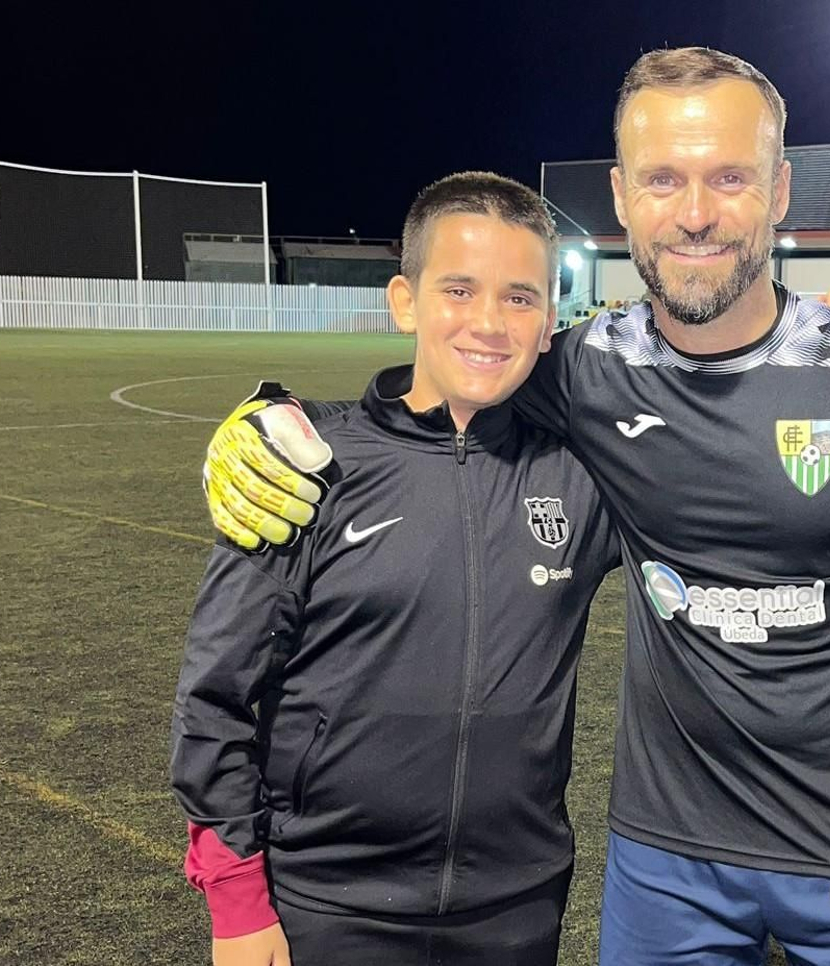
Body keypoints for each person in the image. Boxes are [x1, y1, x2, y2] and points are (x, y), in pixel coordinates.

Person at [199, 47, 830, 966]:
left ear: (779, 191)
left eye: (729, 177)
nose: (695, 213)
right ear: (622, 197)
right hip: (665, 862)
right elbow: (445, 384)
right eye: (663, 179)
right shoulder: (580, 368)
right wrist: (262, 418)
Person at [172, 173, 620, 966]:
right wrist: (237, 903)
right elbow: (215, 697)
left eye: (520, 298)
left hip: (517, 906)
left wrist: (817, 336)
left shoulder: (579, 476)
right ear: (404, 301)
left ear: (550, 321)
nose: (488, 322)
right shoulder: (304, 464)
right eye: (458, 289)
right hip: (326, 904)